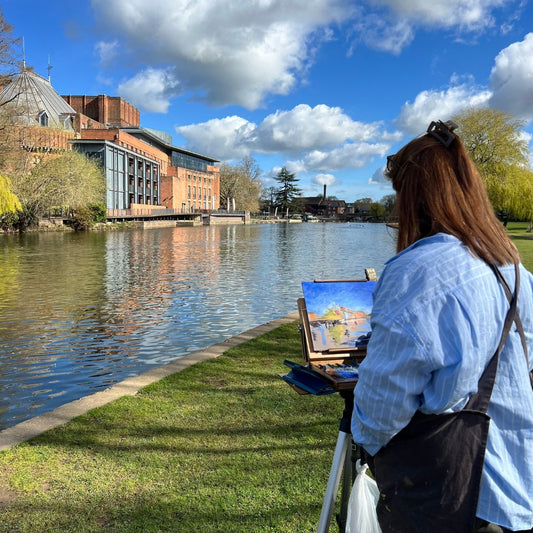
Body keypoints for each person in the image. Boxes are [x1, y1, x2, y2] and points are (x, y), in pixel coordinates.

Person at [350, 120, 533, 532]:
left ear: (413, 194)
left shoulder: (415, 270)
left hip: (453, 494)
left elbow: (383, 403)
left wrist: (365, 439)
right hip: (517, 480)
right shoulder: (512, 266)